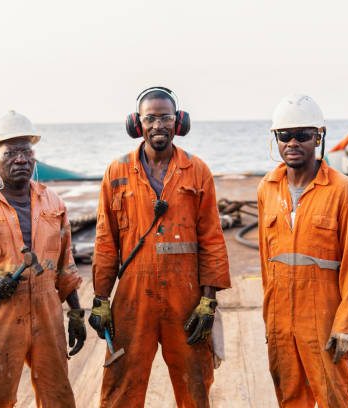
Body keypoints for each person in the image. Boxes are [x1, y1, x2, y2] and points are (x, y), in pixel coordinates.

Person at [89, 87, 231, 407]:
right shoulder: (116, 172)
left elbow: (212, 238)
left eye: (165, 117)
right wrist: (100, 299)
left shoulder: (197, 171)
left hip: (187, 299)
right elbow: (105, 240)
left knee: (195, 382)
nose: (158, 125)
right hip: (132, 299)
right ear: (136, 123)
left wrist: (208, 301)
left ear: (178, 122)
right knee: (121, 386)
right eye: (150, 118)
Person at [0, 111, 86, 407]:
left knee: (58, 396)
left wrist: (74, 312)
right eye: (11, 152)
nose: (20, 159)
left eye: (26, 151)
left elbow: (66, 263)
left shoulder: (53, 203)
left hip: (47, 317)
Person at [257, 94, 348, 407]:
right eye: (285, 135)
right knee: (290, 396)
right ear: (275, 139)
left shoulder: (343, 190)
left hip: (324, 318)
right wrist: (270, 319)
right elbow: (267, 264)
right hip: (280, 320)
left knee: (334, 396)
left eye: (302, 135)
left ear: (318, 137)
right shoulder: (266, 188)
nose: (292, 143)